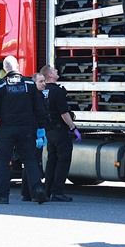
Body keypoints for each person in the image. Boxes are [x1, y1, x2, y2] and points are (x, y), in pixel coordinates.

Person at [0, 56, 48, 204]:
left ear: (5, 69)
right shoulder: (29, 84)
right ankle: (38, 189)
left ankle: (3, 196)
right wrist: (40, 129)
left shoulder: (0, 86)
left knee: (3, 161)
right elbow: (39, 109)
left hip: (6, 129)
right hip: (26, 129)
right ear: (17, 66)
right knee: (30, 160)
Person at [40, 64, 82, 202]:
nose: (57, 70)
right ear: (50, 75)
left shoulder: (42, 90)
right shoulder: (58, 92)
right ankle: (57, 192)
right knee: (63, 160)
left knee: (52, 160)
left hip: (49, 131)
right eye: (54, 70)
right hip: (59, 130)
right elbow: (64, 113)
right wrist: (73, 128)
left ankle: (47, 190)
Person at [20, 72, 47, 202]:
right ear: (34, 83)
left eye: (44, 81)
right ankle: (32, 192)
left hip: (33, 132)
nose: (43, 83)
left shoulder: (37, 95)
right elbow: (38, 115)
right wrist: (39, 134)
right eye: (40, 81)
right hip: (33, 132)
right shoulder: (34, 97)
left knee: (30, 162)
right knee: (33, 162)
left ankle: (26, 192)